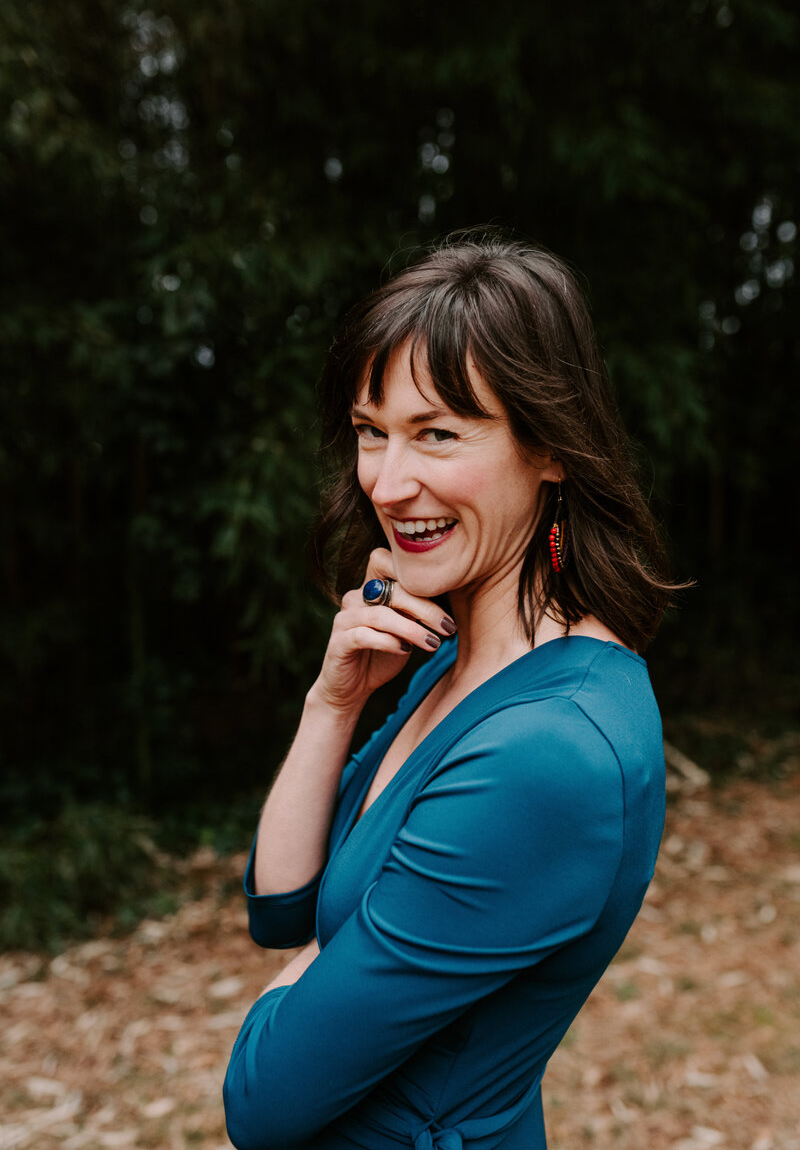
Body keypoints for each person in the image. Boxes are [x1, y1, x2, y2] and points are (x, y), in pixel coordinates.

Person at [223, 230, 678, 1150]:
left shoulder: (546, 751)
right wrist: (334, 703)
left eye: (437, 433)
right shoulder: (453, 657)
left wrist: (315, 972)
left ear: (551, 447)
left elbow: (262, 1100)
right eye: (370, 433)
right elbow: (281, 908)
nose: (390, 484)